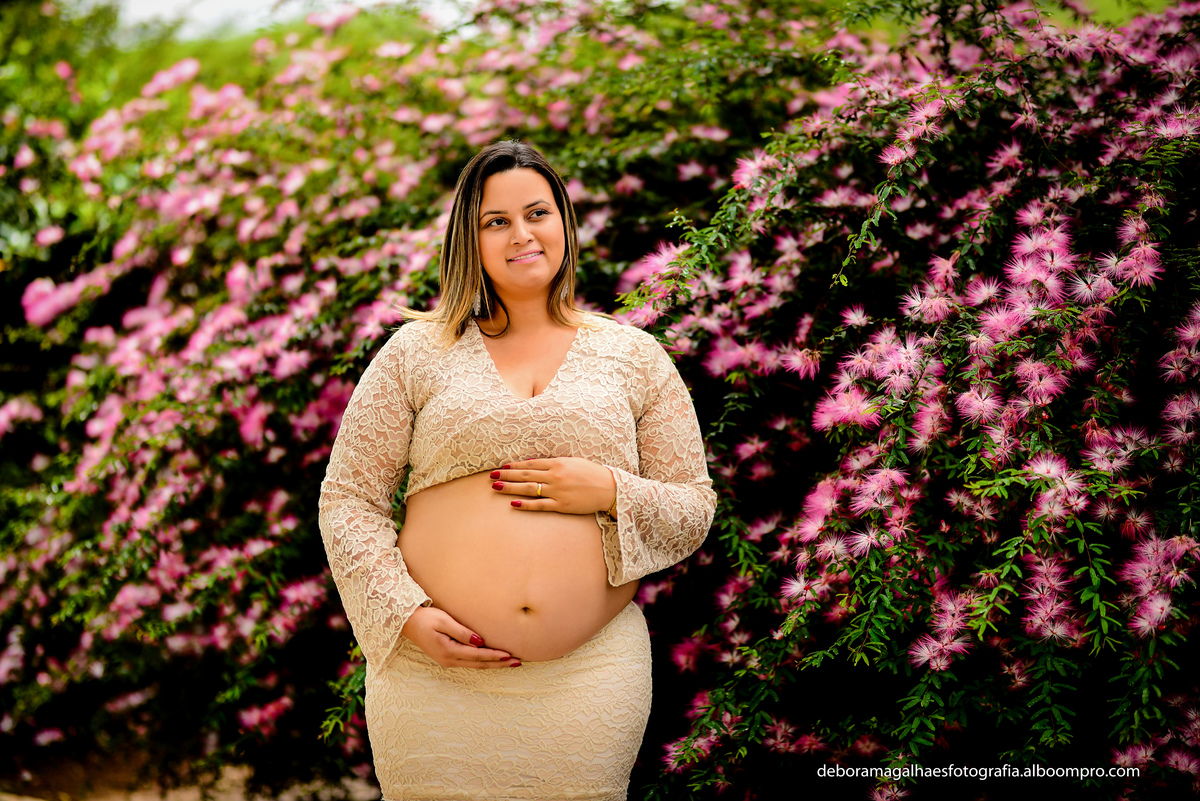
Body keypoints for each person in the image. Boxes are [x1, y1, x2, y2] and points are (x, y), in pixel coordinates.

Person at [318, 140, 716, 800]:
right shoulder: (415, 352)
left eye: (537, 213)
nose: (521, 235)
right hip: (432, 677)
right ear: (468, 240)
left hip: (588, 676)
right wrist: (405, 613)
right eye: (495, 221)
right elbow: (349, 498)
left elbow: (693, 506)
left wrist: (609, 490)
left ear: (564, 221)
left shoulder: (635, 355)